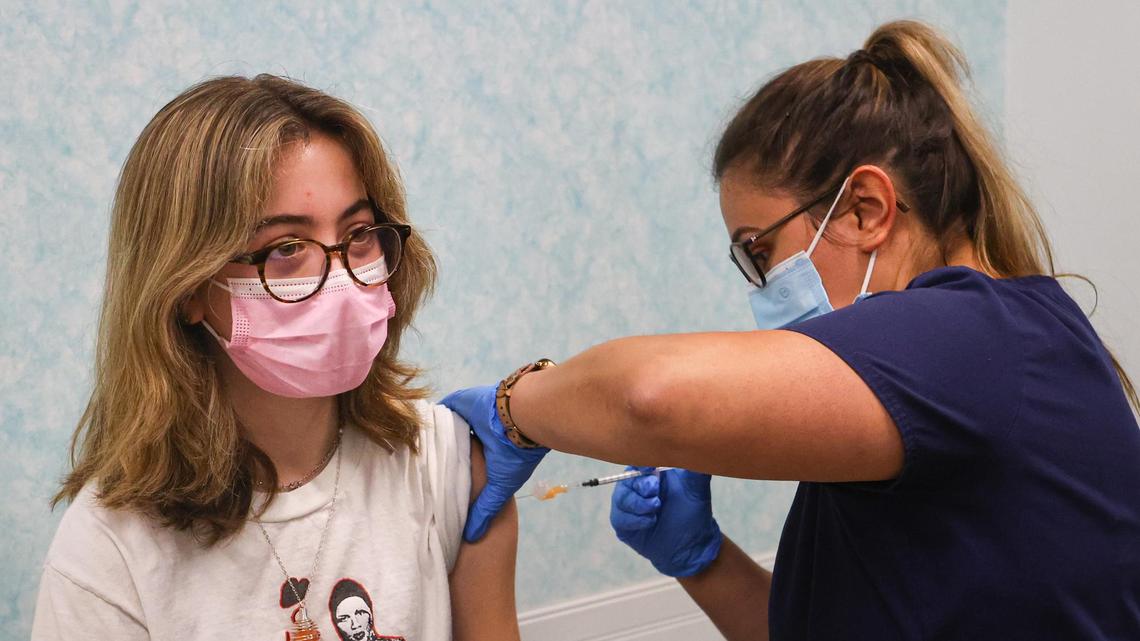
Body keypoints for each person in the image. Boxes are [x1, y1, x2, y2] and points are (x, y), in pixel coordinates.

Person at [442, 20, 1140, 640]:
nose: (759, 289)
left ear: (866, 209)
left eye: (758, 251)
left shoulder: (970, 335)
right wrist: (704, 558)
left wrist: (516, 409)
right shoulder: (949, 371)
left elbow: (647, 397)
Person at [33, 75, 519, 641]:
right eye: (286, 248)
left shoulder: (444, 463)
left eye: (360, 233)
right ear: (187, 288)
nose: (339, 277)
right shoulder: (110, 549)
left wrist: (530, 405)